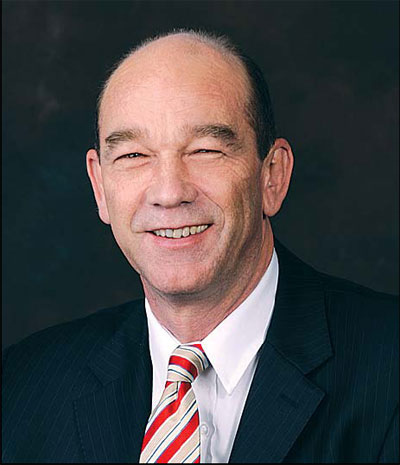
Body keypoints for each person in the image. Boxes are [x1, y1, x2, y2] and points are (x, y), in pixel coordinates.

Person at [2, 29, 398, 464]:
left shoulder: (387, 368)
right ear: (100, 186)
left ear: (272, 176)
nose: (169, 193)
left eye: (206, 150)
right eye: (133, 156)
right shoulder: (22, 386)